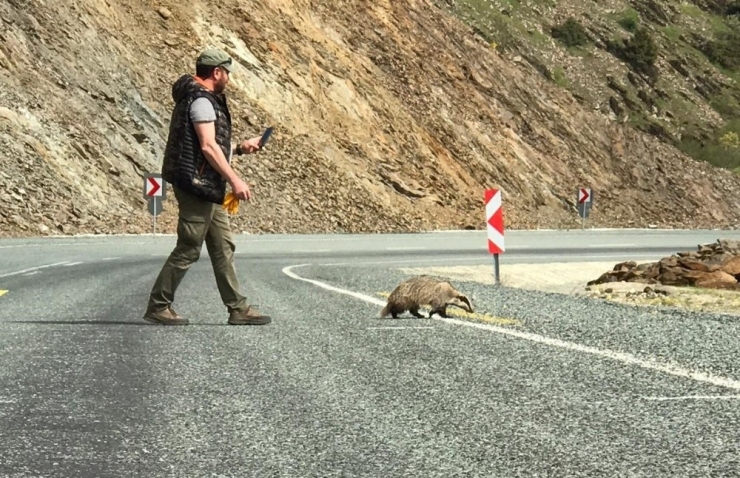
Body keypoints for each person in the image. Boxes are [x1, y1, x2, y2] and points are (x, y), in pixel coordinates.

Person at [142, 47, 271, 326]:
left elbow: (210, 147)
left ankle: (238, 308)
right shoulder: (201, 101)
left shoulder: (203, 99)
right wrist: (236, 180)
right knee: (189, 247)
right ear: (216, 72)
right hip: (196, 186)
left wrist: (239, 148)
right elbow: (208, 146)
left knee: (223, 246)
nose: (229, 79)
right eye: (227, 73)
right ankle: (158, 305)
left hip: (208, 186)